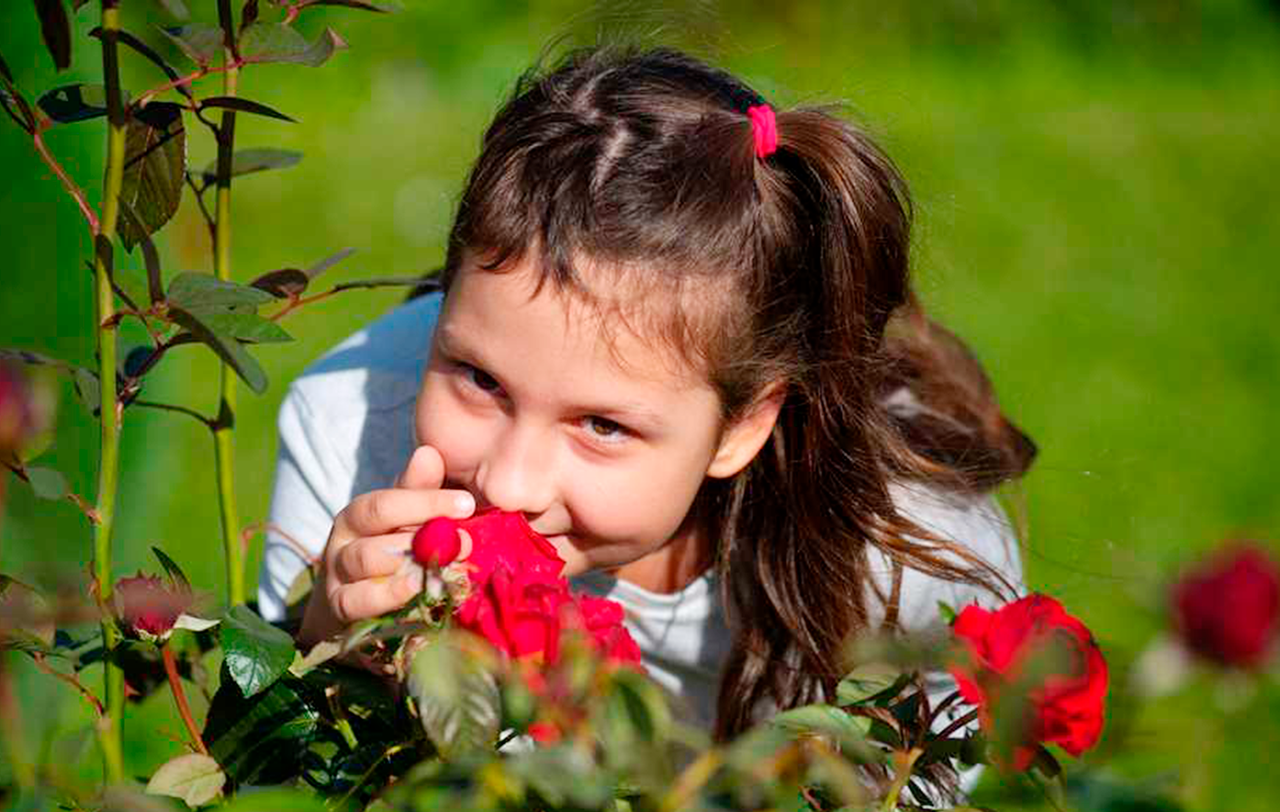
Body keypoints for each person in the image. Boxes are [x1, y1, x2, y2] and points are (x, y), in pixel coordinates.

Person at [257, 45, 1035, 744]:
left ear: (744, 425)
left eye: (601, 425)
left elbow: (920, 781)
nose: (507, 482)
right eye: (480, 379)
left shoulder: (907, 551)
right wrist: (328, 642)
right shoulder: (352, 424)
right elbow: (284, 811)